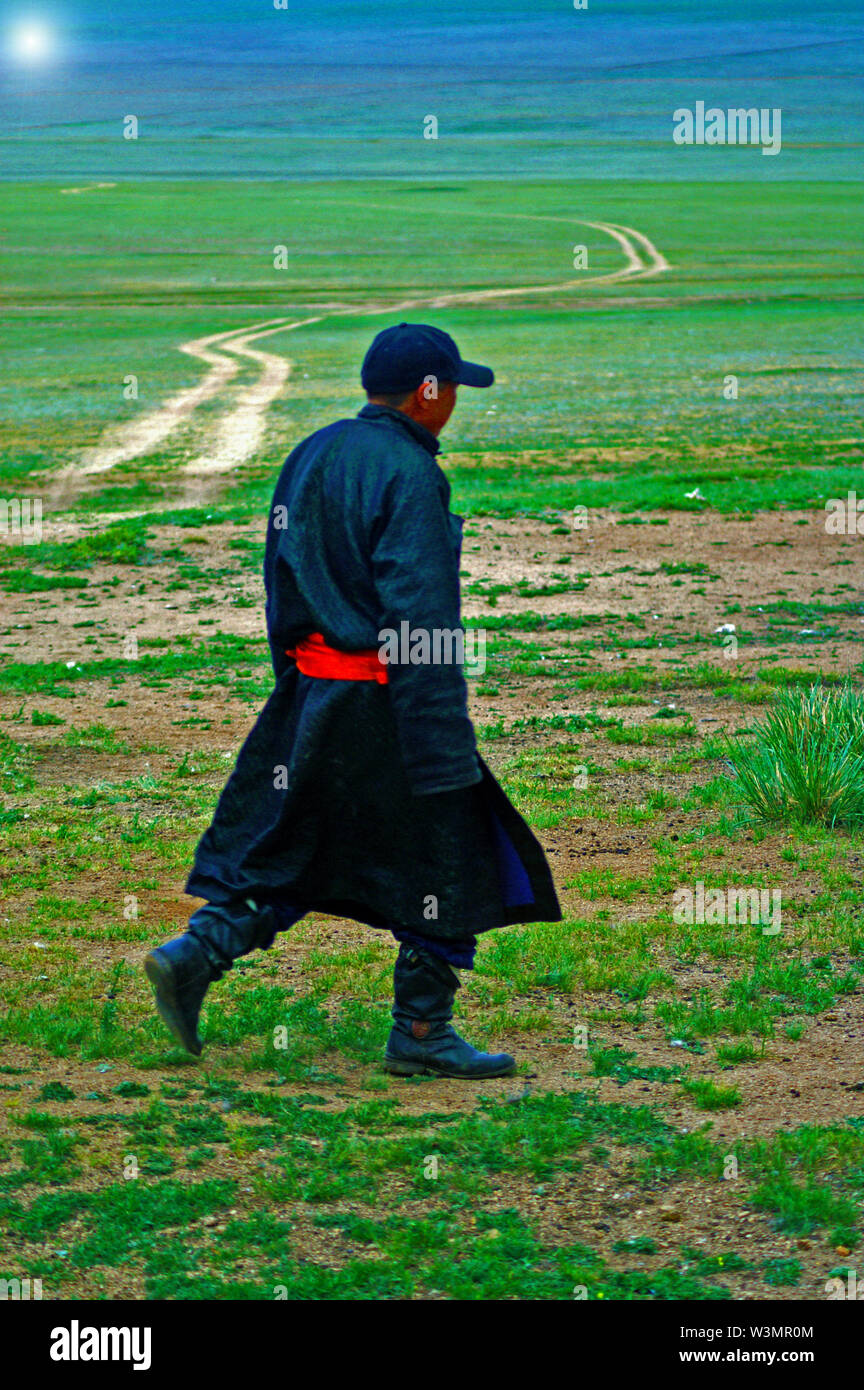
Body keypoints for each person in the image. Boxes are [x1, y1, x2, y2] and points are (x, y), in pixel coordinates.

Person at [145, 323, 561, 1078]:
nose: (456, 401)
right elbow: (420, 617)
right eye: (453, 387)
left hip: (314, 696)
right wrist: (439, 737)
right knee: (452, 855)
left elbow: (280, 580)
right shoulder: (411, 472)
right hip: (388, 706)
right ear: (427, 392)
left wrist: (293, 691)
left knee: (304, 846)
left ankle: (196, 952)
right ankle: (423, 1031)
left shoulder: (314, 451)